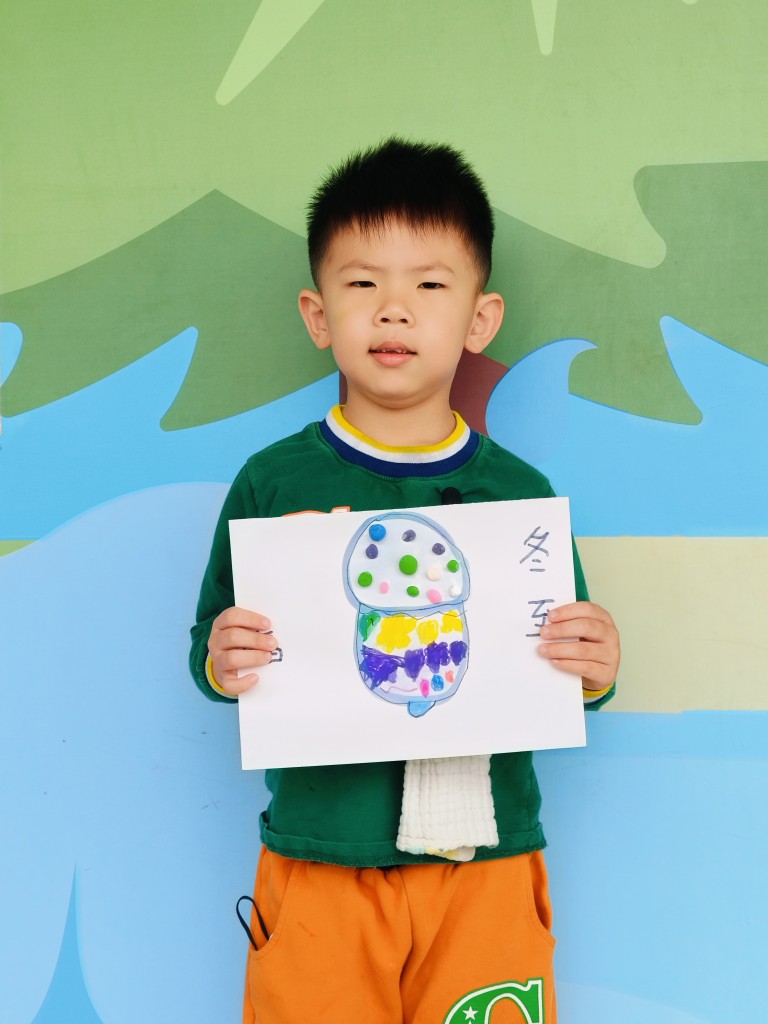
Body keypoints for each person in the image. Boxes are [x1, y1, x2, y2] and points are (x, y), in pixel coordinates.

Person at [189, 138, 620, 1023]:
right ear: (318, 315)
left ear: (479, 320)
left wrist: (597, 666)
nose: (393, 309)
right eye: (362, 284)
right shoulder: (273, 483)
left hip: (485, 865)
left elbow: (570, 665)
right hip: (320, 859)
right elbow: (211, 646)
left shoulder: (520, 497)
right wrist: (223, 659)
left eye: (428, 285)